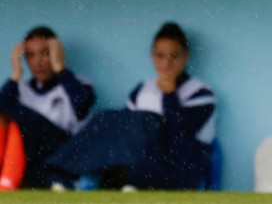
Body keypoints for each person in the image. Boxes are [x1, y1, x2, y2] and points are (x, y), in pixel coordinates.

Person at [47, 22, 216, 191]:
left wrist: (170, 94)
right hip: (140, 165)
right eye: (161, 56)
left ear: (185, 57)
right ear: (153, 56)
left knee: (148, 122)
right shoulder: (142, 90)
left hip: (181, 167)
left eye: (174, 56)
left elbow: (180, 134)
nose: (167, 63)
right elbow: (126, 136)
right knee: (107, 119)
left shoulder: (200, 92)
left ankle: (134, 181)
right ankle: (64, 175)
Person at [0, 26, 95, 189]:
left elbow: (82, 106)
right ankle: (7, 177)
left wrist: (60, 68)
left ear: (56, 53)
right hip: (30, 156)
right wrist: (15, 74)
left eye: (45, 53)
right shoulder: (20, 88)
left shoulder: (77, 84)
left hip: (65, 151)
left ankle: (8, 181)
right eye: (30, 55)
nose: (38, 62)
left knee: (26, 118)